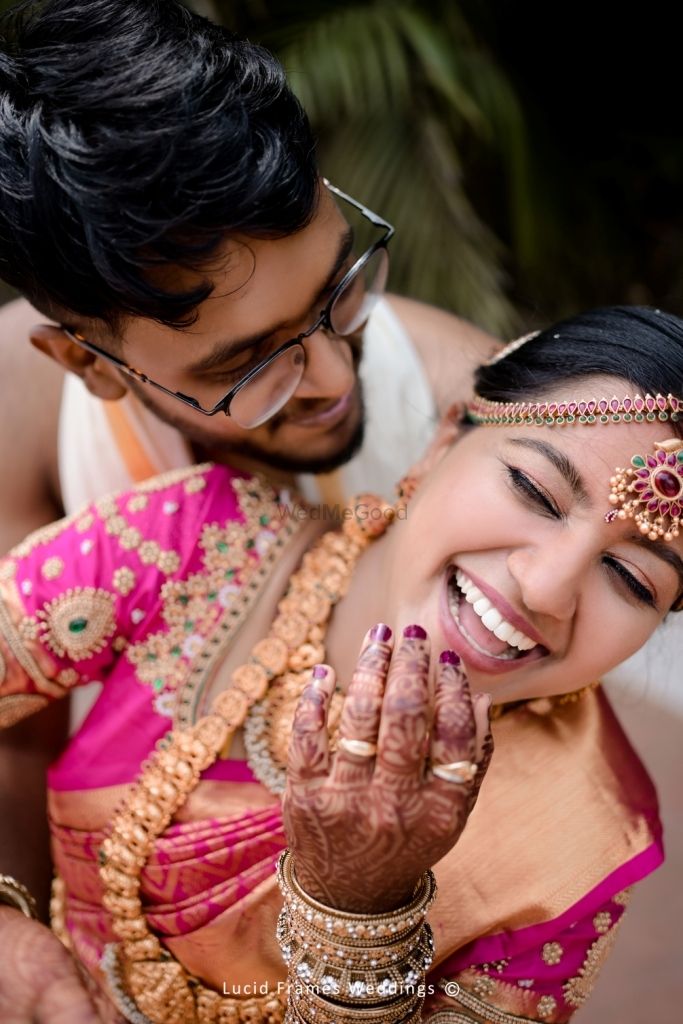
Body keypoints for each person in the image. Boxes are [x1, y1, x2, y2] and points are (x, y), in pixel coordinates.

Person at [0, 0, 495, 1005]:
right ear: (85, 364)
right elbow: (12, 730)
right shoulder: (19, 412)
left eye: (336, 293)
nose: (328, 377)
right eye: (248, 365)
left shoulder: (465, 409)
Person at [0, 305, 680, 1024]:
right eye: (534, 491)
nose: (545, 588)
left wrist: (359, 911)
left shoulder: (582, 843)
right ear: (444, 438)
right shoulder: (188, 546)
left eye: (633, 580)